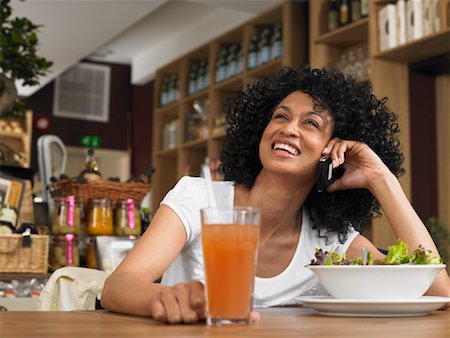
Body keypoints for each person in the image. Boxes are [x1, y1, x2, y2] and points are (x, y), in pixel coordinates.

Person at [101, 65, 450, 323]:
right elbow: (119, 286)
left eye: (310, 123)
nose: (288, 129)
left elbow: (439, 292)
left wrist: (381, 179)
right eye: (280, 117)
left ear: (334, 150)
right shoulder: (199, 198)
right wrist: (167, 298)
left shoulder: (330, 240)